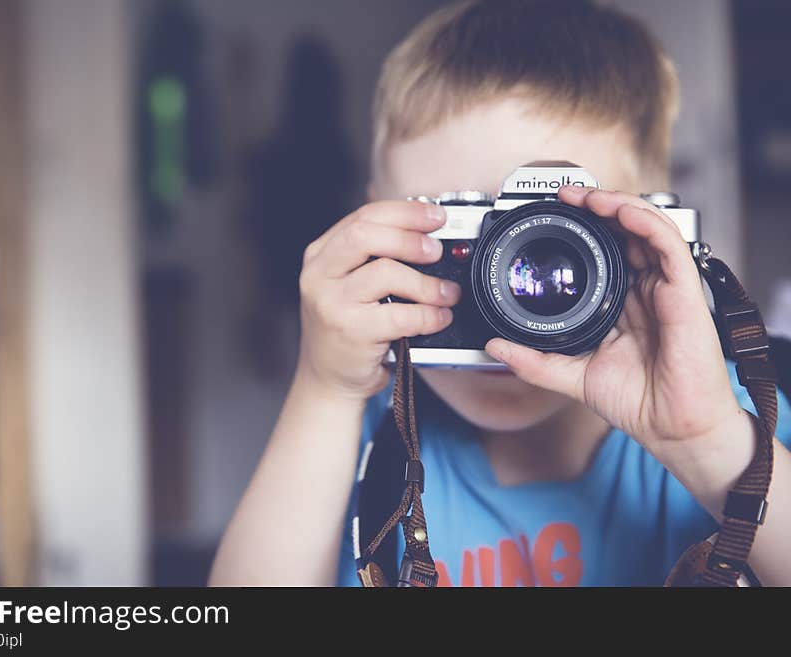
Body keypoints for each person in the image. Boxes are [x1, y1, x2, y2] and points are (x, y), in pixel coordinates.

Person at [209, 0, 791, 586]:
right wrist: (325, 386)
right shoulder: (363, 441)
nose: (505, 303)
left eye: (555, 241)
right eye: (464, 233)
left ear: (650, 233)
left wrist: (710, 447)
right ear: (375, 224)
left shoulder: (725, 417)